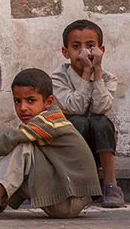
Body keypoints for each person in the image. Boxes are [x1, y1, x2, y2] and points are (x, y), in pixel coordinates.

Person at [0, 68, 101, 221]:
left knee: (22, 147)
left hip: (70, 199)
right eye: (17, 101)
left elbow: (7, 140)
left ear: (48, 102)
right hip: (65, 193)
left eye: (31, 100)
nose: (22, 108)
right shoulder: (43, 121)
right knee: (22, 157)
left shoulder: (50, 122)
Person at [52, 19, 125, 208]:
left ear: (101, 50)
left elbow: (101, 108)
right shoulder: (58, 78)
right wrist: (86, 73)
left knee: (101, 122)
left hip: (97, 148)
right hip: (70, 147)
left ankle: (111, 185)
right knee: (77, 121)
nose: (84, 52)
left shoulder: (108, 78)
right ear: (65, 52)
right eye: (76, 46)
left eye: (90, 46)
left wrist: (97, 71)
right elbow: (75, 108)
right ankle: (78, 187)